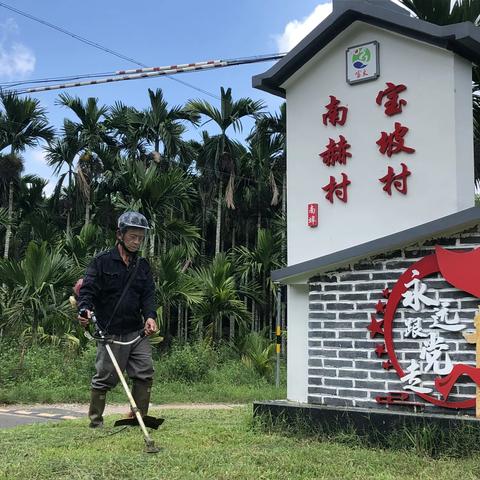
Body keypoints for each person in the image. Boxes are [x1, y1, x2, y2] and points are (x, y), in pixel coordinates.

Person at [77, 211, 158, 428]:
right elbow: (88, 291)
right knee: (105, 378)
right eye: (133, 236)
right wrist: (84, 310)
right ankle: (95, 422)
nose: (137, 241)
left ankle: (138, 419)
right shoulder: (102, 262)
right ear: (119, 235)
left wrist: (150, 316)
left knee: (144, 372)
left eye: (140, 237)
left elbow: (148, 295)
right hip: (109, 331)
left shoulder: (142, 266)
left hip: (136, 331)